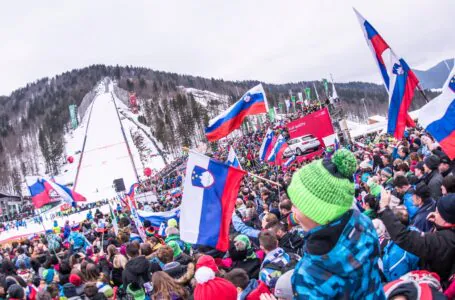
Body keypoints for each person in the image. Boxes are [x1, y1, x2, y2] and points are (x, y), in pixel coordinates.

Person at [287, 149, 384, 298]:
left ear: (315, 211)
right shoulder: (362, 221)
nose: (292, 210)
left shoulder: (308, 275)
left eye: (296, 204)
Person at [378, 192, 455, 286]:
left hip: (436, 284)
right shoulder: (447, 233)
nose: (434, 213)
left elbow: (404, 237)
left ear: (447, 221)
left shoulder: (443, 241)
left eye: (438, 212)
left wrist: (384, 209)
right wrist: (438, 224)